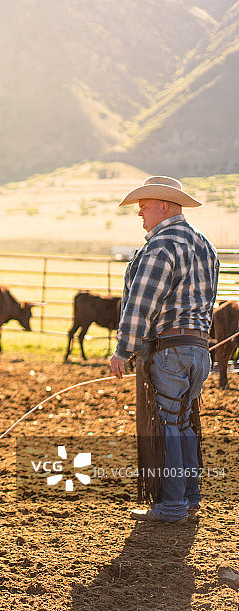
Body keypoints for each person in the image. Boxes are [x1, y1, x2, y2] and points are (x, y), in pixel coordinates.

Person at [110, 176, 219, 524]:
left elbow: (141, 303)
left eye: (144, 207)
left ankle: (171, 505)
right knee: (184, 423)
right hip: (199, 349)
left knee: (167, 423)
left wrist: (123, 349)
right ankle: (189, 498)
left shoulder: (160, 246)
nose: (140, 214)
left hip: (170, 349)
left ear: (165, 206)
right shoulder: (204, 244)